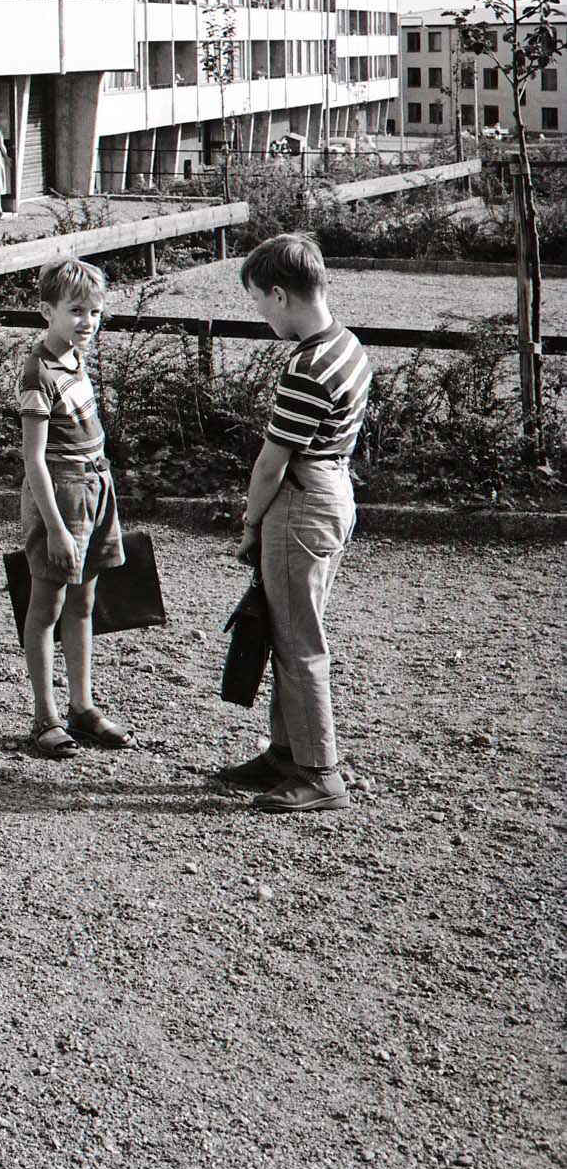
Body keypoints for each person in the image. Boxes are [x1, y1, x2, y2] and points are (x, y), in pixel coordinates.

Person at [213, 230, 372, 813]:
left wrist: (252, 525)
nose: (258, 311)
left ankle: (319, 772)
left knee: (300, 641)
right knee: (288, 630)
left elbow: (270, 463)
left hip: (302, 501)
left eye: (257, 298)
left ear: (280, 295)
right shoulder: (348, 345)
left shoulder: (306, 365)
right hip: (333, 490)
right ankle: (285, 753)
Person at [16, 258, 127, 757]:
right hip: (60, 492)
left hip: (95, 484)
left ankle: (82, 706)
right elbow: (34, 460)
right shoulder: (37, 371)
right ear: (47, 311)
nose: (87, 322)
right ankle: (45, 717)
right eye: (76, 311)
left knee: (84, 601)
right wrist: (57, 528)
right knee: (47, 606)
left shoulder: (76, 360)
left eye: (96, 313)